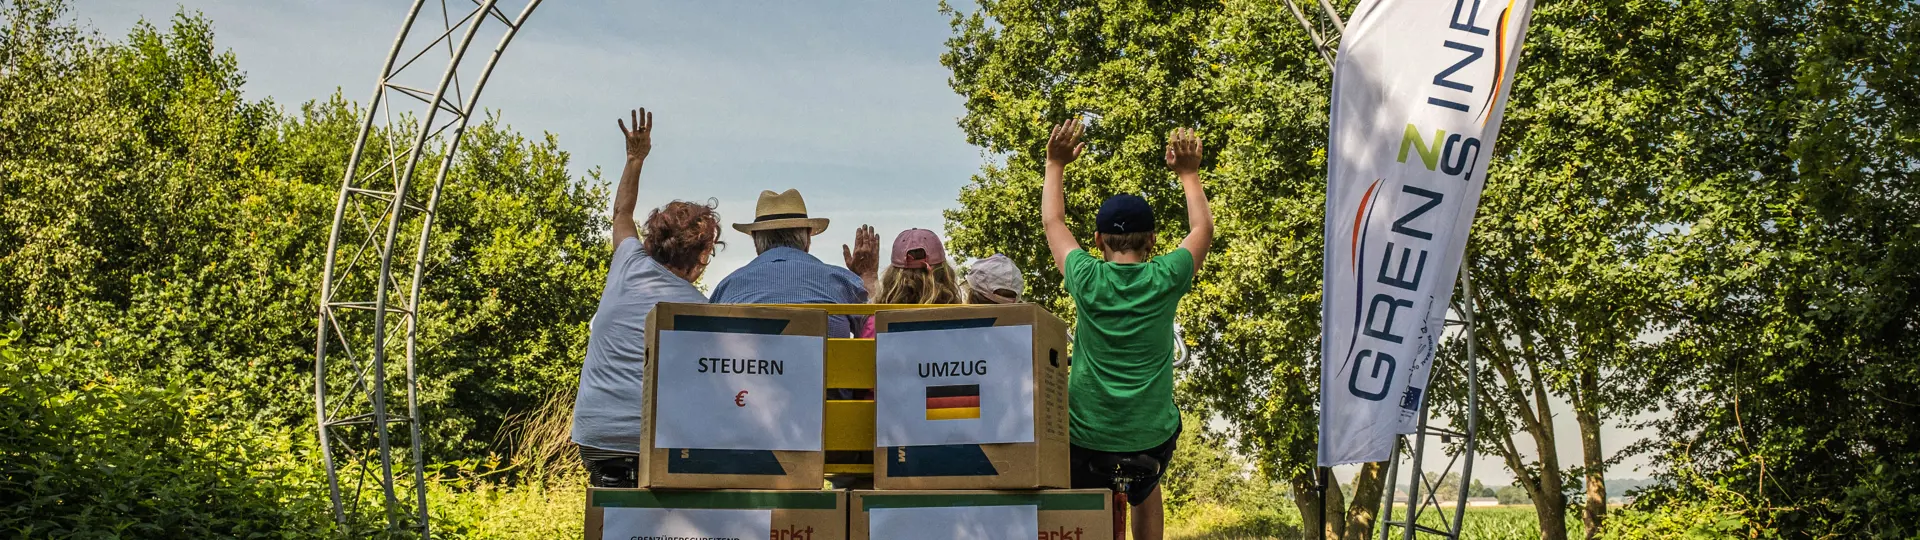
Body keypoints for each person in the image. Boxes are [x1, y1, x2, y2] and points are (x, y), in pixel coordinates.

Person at [1042, 118, 1212, 540]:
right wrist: (1188, 173)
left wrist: (1054, 164)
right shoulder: (1167, 276)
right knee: (1146, 485)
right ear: (1151, 241)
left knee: (1084, 493)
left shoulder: (1085, 276)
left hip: (1087, 437)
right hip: (1149, 438)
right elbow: (1201, 229)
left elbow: (1054, 223)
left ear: (1098, 240)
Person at [572, 108, 725, 488]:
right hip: (663, 446)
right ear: (703, 256)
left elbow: (621, 211)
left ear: (649, 241)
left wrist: (635, 158)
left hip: (595, 439)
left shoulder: (628, 263)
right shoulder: (701, 310)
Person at [708, 189, 879, 337]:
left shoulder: (726, 288)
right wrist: (868, 276)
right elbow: (878, 332)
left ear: (755, 240)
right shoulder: (841, 282)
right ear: (807, 238)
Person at [855, 228, 963, 337]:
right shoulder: (963, 324)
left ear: (892, 278)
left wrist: (868, 276)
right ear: (945, 275)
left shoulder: (876, 324)